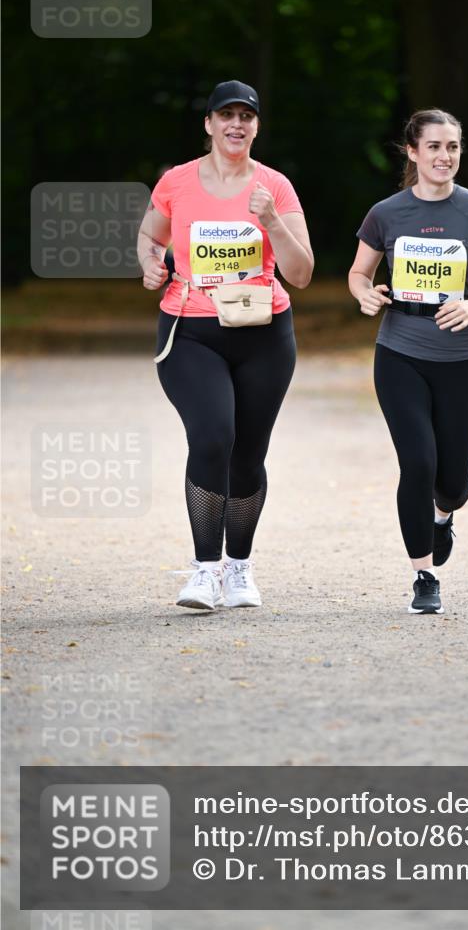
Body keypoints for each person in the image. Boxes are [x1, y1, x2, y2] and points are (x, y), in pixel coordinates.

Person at [138, 80, 314, 611]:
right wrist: (150, 263)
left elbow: (301, 273)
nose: (237, 124)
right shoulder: (176, 181)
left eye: (246, 116)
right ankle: (204, 571)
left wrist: (271, 220)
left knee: (249, 452)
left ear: (256, 126)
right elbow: (151, 237)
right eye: (226, 115)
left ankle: (238, 567)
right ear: (209, 123)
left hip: (264, 333)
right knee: (213, 435)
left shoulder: (275, 187)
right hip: (191, 330)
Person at [349, 108, 468, 614]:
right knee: (418, 464)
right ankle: (424, 576)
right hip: (399, 354)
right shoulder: (386, 213)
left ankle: (444, 514)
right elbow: (358, 273)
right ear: (413, 152)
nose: (444, 156)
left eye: (452, 147)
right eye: (433, 146)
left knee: (452, 483)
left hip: (461, 359)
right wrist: (365, 294)